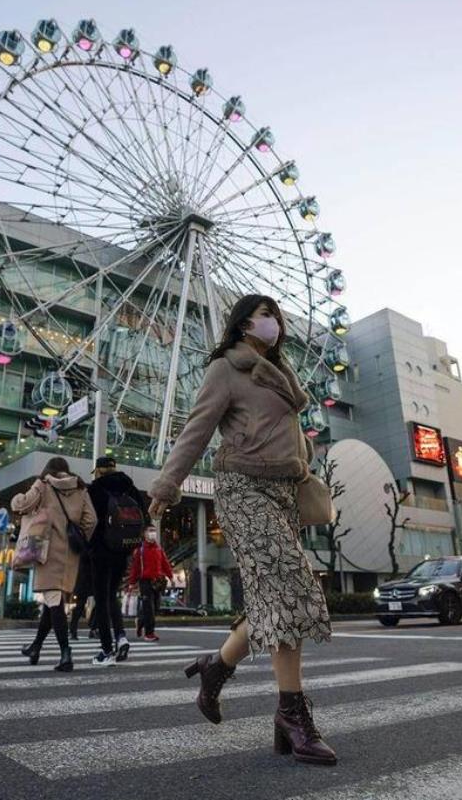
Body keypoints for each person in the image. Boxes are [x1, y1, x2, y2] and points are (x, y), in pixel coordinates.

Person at [149, 294, 337, 766]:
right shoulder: (226, 369)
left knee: (276, 597)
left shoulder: (284, 374)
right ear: (243, 322)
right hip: (242, 489)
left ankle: (216, 667)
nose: (276, 321)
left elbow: (288, 435)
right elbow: (197, 428)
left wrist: (302, 466)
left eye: (279, 314)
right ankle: (292, 714)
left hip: (283, 493)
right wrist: (168, 485)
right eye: (266, 313)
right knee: (290, 591)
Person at [12, 457, 96, 672]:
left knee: (54, 602)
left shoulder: (43, 485)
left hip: (46, 551)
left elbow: (22, 505)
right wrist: (76, 537)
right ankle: (35, 647)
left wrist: (19, 496)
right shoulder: (80, 488)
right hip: (70, 555)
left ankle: (66, 653)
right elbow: (91, 520)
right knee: (53, 601)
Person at [88, 456, 149, 666]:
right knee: (112, 595)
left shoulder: (95, 489)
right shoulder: (129, 487)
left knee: (102, 598)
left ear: (98, 471)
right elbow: (145, 518)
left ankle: (106, 650)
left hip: (100, 551)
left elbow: (89, 520)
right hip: (123, 551)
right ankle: (121, 636)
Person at [127, 524, 173, 642]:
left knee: (155, 607)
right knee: (149, 608)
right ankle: (149, 633)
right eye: (150, 531)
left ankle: (140, 621)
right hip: (145, 582)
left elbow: (165, 563)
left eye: (154, 531)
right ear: (145, 534)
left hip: (157, 581)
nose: (153, 533)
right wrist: (132, 583)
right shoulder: (140, 550)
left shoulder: (159, 549)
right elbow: (135, 568)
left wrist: (171, 577)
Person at [69, 551, 96, 641]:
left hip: (89, 577)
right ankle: (74, 630)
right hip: (84, 578)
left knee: (100, 603)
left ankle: (93, 628)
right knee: (79, 607)